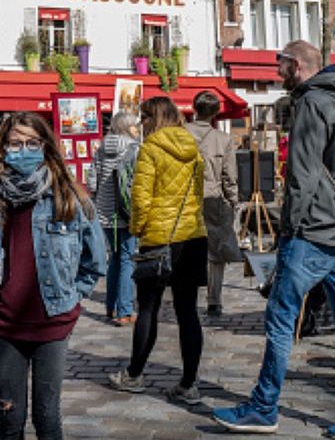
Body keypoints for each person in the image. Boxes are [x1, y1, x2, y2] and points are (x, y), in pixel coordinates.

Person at [212, 40, 335, 440]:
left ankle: (264, 407)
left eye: (279, 63)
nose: (276, 69)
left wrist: (288, 229)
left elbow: (303, 176)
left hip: (312, 232)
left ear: (296, 65)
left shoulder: (311, 104)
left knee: (281, 320)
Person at [0, 111, 106, 440]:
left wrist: (72, 298)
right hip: (6, 323)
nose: (23, 151)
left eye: (32, 144)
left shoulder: (68, 194)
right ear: (3, 148)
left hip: (52, 321)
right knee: (10, 418)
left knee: (47, 418)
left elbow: (95, 259)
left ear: (46, 146)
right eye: (15, 143)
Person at [108, 96, 207, 404]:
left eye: (144, 118)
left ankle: (135, 374)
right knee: (187, 311)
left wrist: (138, 230)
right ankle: (189, 383)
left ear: (152, 119)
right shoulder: (193, 150)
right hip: (192, 236)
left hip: (159, 237)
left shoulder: (150, 150)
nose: (142, 124)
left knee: (148, 308)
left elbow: (140, 199)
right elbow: (199, 194)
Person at [187, 91, 243, 318]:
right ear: (215, 114)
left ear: (194, 108)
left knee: (187, 248)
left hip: (185, 198)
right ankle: (214, 300)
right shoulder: (224, 139)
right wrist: (233, 200)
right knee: (215, 250)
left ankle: (187, 295)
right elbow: (230, 176)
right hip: (212, 197)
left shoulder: (180, 134)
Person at [89, 111, 140, 325]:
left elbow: (92, 183)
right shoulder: (134, 148)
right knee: (128, 258)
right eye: (135, 126)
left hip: (104, 211)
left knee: (115, 258)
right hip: (126, 213)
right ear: (127, 128)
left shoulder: (101, 148)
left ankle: (111, 307)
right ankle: (124, 311)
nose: (138, 129)